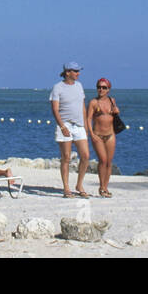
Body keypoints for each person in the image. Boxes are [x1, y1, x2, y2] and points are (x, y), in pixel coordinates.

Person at [50, 61, 89, 198]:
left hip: (79, 126)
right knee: (66, 157)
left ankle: (79, 185)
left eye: (79, 71)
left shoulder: (79, 86)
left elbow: (83, 107)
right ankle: (66, 188)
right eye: (76, 71)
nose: (78, 74)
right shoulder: (58, 87)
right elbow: (55, 109)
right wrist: (62, 126)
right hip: (64, 125)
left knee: (85, 156)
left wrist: (86, 125)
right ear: (68, 72)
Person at [86, 77, 119, 198]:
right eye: (99, 87)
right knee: (103, 160)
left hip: (110, 135)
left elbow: (114, 116)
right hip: (98, 135)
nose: (101, 89)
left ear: (108, 89)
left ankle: (105, 187)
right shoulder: (93, 102)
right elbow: (88, 119)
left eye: (104, 87)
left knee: (109, 162)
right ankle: (101, 186)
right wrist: (91, 134)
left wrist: (117, 111)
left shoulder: (112, 100)